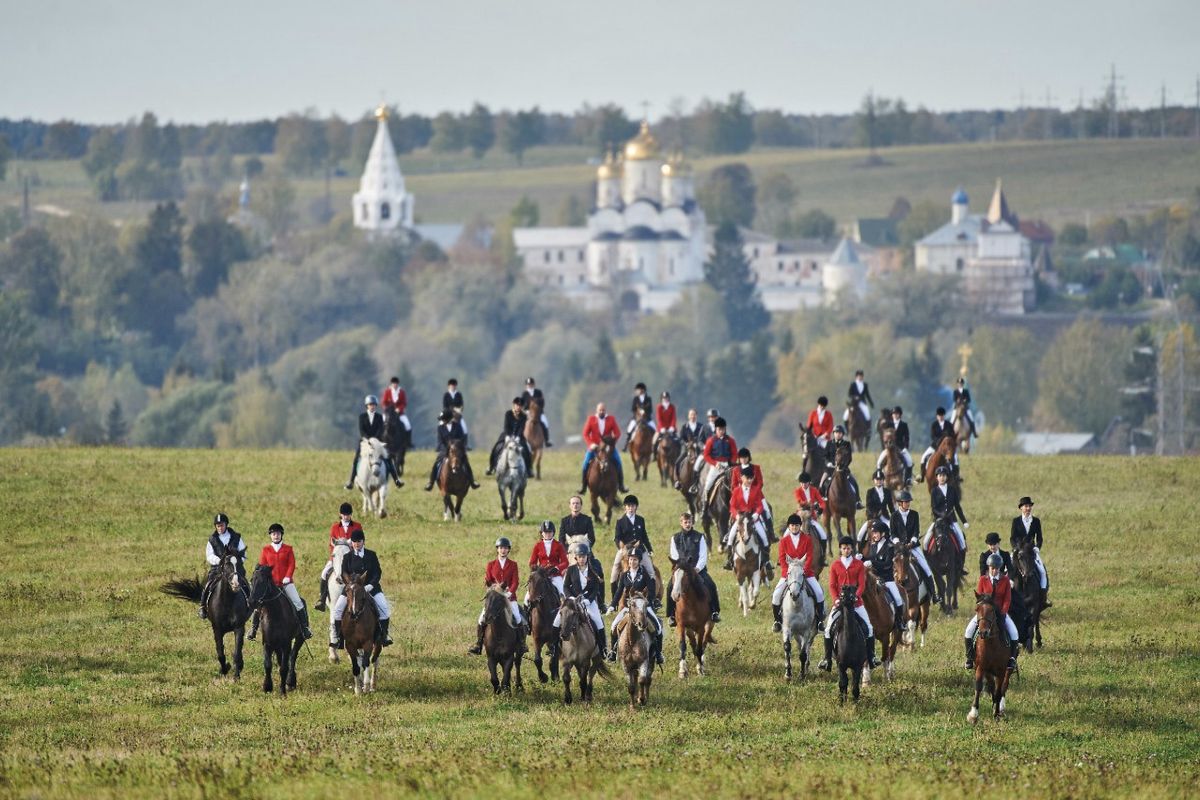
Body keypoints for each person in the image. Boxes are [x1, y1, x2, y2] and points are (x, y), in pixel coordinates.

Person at [819, 537, 881, 670]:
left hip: (856, 604)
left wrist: (855, 596)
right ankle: (826, 658)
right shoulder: (835, 565)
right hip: (839, 604)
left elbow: (862, 584)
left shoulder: (858, 564)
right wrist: (836, 599)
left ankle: (871, 657)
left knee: (869, 628)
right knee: (828, 629)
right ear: (840, 549)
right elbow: (832, 585)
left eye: (848, 548)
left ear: (852, 549)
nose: (846, 551)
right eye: (843, 548)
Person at [249, 523, 313, 641]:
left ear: (281, 535)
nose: (276, 536)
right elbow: (263, 566)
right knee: (259, 604)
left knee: (298, 603)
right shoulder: (266, 550)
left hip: (286, 583)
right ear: (270, 536)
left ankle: (305, 628)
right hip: (271, 584)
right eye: (274, 534)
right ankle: (253, 629)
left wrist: (288, 576)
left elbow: (291, 564)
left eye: (278, 534)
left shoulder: (288, 549)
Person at [332, 528, 392, 647]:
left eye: (359, 541)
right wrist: (349, 585)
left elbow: (377, 572)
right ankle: (339, 639)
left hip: (371, 588)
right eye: (354, 542)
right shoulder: (347, 557)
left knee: (384, 609)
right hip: (352, 589)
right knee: (337, 610)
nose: (356, 544)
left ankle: (383, 636)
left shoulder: (371, 555)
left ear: (363, 542)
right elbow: (344, 574)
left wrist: (370, 585)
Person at [469, 537, 526, 655]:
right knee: (481, 619)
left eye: (505, 548)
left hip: (509, 597)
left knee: (518, 617)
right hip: (494, 598)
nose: (503, 550)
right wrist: (492, 590)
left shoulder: (513, 564)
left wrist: (510, 592)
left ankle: (521, 643)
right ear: (497, 549)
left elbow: (515, 581)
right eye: (501, 548)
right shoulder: (491, 565)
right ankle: (478, 644)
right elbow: (488, 581)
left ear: (508, 550)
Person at [771, 513, 826, 633]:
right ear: (789, 527)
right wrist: (789, 572)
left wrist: (803, 571)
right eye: (792, 526)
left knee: (819, 593)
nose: (794, 528)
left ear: (800, 526)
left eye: (797, 526)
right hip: (789, 574)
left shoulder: (807, 539)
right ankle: (777, 621)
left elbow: (810, 557)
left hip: (806, 573)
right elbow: (781, 558)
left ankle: (820, 621)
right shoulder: (784, 541)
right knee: (776, 595)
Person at [965, 554, 1021, 670]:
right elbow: (980, 598)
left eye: (996, 568)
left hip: (1000, 613)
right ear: (988, 568)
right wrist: (982, 612)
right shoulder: (982, 580)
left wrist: (1003, 612)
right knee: (969, 631)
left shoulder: (1005, 580)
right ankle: (969, 658)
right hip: (985, 614)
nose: (994, 571)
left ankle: (1011, 659)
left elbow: (1007, 599)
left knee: (1014, 633)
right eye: (992, 568)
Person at [609, 547, 663, 664]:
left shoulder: (644, 573)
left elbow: (651, 589)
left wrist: (649, 601)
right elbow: (619, 591)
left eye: (635, 560)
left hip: (643, 605)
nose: (632, 562)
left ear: (639, 561)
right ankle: (613, 652)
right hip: (630, 606)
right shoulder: (624, 575)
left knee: (657, 627)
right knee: (613, 626)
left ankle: (659, 654)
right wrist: (613, 605)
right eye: (630, 560)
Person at [556, 542, 610, 660]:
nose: (581, 559)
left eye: (584, 557)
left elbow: (596, 589)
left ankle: (603, 649)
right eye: (579, 557)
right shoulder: (571, 570)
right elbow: (565, 586)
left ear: (587, 557)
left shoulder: (593, 570)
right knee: (557, 620)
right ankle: (555, 648)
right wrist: (571, 598)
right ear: (576, 557)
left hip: (588, 602)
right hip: (572, 601)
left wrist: (589, 600)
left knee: (599, 622)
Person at [667, 511, 721, 625]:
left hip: (697, 570)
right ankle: (671, 615)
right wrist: (680, 568)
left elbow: (703, 555)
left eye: (689, 522)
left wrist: (697, 568)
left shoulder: (699, 537)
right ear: (681, 523)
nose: (688, 524)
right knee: (669, 586)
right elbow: (674, 555)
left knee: (711, 584)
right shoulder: (675, 538)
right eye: (685, 522)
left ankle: (714, 612)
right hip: (681, 570)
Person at [890, 490, 941, 604]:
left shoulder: (914, 514)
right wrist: (898, 543)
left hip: (912, 547)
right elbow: (893, 533)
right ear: (900, 503)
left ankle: (933, 594)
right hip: (899, 548)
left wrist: (912, 542)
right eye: (905, 502)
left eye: (908, 502)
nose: (908, 504)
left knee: (926, 568)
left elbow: (916, 531)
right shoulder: (894, 516)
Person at [346, 395, 404, 491]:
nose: (372, 406)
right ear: (367, 406)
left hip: (377, 442)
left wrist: (374, 440)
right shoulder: (362, 417)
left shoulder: (379, 417)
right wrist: (368, 440)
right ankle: (351, 481)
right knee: (356, 458)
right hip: (365, 442)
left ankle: (396, 480)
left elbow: (380, 430)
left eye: (373, 405)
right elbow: (362, 431)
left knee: (388, 458)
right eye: (370, 405)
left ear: (375, 406)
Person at [723, 465, 771, 573]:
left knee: (764, 538)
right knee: (730, 537)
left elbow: (760, 506)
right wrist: (736, 515)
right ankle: (729, 561)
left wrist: (756, 514)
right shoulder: (736, 490)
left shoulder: (756, 490)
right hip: (740, 519)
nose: (749, 480)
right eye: (747, 478)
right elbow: (732, 506)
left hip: (753, 519)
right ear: (742, 478)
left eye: (751, 478)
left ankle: (766, 562)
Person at [199, 513, 247, 618]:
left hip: (234, 568)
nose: (220, 528)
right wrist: (219, 561)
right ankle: (203, 607)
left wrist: (238, 562)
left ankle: (249, 604)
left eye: (222, 525)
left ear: (226, 525)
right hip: (217, 568)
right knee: (208, 585)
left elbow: (243, 553)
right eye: (218, 526)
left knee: (245, 583)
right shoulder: (212, 539)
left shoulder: (236, 537)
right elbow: (209, 555)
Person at [316, 503, 361, 612]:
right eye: (344, 515)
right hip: (336, 558)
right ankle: (322, 599)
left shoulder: (357, 526)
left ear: (351, 515)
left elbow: (360, 541)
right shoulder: (335, 527)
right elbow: (331, 544)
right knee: (324, 573)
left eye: (348, 515)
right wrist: (336, 556)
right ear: (340, 514)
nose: (346, 517)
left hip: (352, 558)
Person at [579, 402, 630, 495]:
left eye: (603, 410)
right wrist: (591, 444)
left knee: (618, 462)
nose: (601, 412)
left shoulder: (611, 419)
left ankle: (621, 486)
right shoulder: (591, 419)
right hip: (594, 447)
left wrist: (611, 444)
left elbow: (617, 433)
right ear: (597, 410)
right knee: (585, 462)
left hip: (608, 448)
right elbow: (585, 434)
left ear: (605, 410)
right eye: (600, 410)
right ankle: (583, 486)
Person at [612, 495, 655, 603]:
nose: (631, 508)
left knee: (651, 572)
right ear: (625, 507)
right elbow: (617, 537)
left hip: (639, 550)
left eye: (633, 506)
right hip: (625, 549)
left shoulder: (641, 520)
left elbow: (644, 536)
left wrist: (649, 549)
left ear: (636, 507)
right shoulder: (620, 521)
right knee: (614, 572)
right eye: (628, 506)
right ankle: (614, 601)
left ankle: (654, 599)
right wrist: (620, 546)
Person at [863, 521, 905, 632]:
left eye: (876, 533)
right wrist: (861, 559)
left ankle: (899, 621)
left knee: (897, 598)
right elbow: (868, 558)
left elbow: (887, 564)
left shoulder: (890, 547)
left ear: (883, 534)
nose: (874, 535)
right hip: (873, 578)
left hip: (886, 579)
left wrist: (872, 562)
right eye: (873, 533)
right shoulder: (872, 545)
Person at [1010, 496, 1051, 607]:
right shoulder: (1016, 521)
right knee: (1005, 569)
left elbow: (1040, 538)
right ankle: (1007, 595)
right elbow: (1012, 538)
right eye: (1026, 506)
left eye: (1029, 506)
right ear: (1021, 508)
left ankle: (1043, 596)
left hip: (1031, 551)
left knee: (1042, 571)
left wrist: (1037, 548)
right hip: (1018, 550)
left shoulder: (1036, 521)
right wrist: (1015, 548)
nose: (1028, 508)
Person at [425, 409, 480, 492]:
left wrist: (457, 447)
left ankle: (472, 482)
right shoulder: (440, 428)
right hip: (444, 451)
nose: (442, 421)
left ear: (447, 419)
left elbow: (461, 438)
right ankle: (431, 483)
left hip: (457, 451)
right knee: (436, 464)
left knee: (466, 464)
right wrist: (446, 450)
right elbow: (440, 442)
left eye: (443, 419)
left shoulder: (457, 426)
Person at [923, 466, 968, 566]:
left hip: (952, 521)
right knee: (925, 542)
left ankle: (961, 565)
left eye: (943, 475)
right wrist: (941, 515)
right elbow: (933, 508)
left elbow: (957, 507)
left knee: (962, 543)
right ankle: (928, 563)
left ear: (946, 477)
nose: (942, 477)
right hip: (938, 521)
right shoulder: (934, 491)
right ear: (937, 477)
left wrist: (964, 521)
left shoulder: (952, 490)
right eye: (940, 475)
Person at [696, 417, 738, 514]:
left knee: (736, 485)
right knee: (707, 485)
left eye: (722, 429)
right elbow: (706, 455)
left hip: (728, 467)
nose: (721, 431)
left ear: (725, 429)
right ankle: (704, 506)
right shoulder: (711, 440)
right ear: (715, 429)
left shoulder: (730, 441)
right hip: (716, 466)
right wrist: (715, 463)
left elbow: (734, 454)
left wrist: (730, 463)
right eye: (719, 429)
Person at [485, 397, 533, 476]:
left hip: (519, 436)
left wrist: (517, 437)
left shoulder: (523, 416)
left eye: (520, 405)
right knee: (496, 447)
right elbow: (506, 426)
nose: (519, 407)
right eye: (517, 405)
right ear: (514, 405)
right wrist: (508, 436)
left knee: (527, 449)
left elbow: (522, 428)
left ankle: (529, 468)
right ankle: (491, 467)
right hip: (506, 435)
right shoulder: (508, 414)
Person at [820, 426, 863, 510]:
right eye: (836, 433)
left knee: (854, 482)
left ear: (842, 434)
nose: (838, 434)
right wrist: (828, 463)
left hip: (843, 469)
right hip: (830, 469)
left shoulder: (846, 444)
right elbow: (825, 456)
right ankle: (820, 501)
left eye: (839, 433)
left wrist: (844, 465)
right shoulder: (829, 443)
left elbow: (849, 458)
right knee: (822, 483)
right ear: (834, 434)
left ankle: (857, 501)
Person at [526, 520, 568, 604]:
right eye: (546, 532)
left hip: (555, 576)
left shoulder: (558, 545)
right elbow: (532, 563)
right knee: (527, 598)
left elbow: (565, 562)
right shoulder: (537, 545)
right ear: (542, 533)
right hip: (541, 576)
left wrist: (557, 568)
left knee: (563, 595)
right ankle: (527, 615)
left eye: (550, 532)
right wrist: (538, 569)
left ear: (553, 533)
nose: (548, 534)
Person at [736, 447, 774, 537]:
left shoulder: (756, 468)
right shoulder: (736, 470)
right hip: (741, 496)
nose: (744, 459)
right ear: (739, 459)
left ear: (748, 458)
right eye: (742, 457)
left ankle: (771, 533)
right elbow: (734, 484)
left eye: (745, 457)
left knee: (767, 512)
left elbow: (760, 482)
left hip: (757, 495)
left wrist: (754, 491)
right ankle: (729, 535)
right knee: (732, 515)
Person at [917, 407, 955, 483]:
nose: (941, 417)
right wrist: (940, 442)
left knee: (955, 460)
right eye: (939, 415)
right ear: (937, 416)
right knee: (924, 457)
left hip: (947, 449)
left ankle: (955, 476)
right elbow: (933, 436)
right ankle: (922, 475)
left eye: (942, 415)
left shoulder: (949, 425)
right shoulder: (934, 425)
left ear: (944, 415)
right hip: (935, 446)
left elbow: (952, 435)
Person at [877, 406, 914, 486]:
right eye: (894, 414)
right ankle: (880, 478)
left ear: (900, 415)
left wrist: (905, 448)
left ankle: (908, 480)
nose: (895, 415)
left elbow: (907, 438)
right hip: (889, 448)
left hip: (900, 448)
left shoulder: (904, 425)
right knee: (879, 462)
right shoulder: (888, 424)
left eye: (897, 414)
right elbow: (883, 435)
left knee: (909, 462)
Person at [857, 469, 895, 543]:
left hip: (884, 516)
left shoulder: (887, 492)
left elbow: (891, 506)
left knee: (891, 530)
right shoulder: (870, 492)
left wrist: (895, 515)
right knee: (860, 535)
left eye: (880, 479)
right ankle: (859, 551)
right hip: (873, 517)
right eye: (877, 479)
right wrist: (874, 514)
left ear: (883, 480)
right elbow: (868, 506)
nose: (879, 481)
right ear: (874, 480)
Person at [793, 472, 828, 546]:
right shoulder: (797, 491)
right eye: (802, 483)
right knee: (786, 534)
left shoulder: (814, 490)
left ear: (809, 483)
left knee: (823, 535)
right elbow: (799, 501)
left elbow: (822, 502)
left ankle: (823, 555)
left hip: (811, 517)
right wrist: (808, 504)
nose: (803, 485)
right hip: (800, 516)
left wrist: (821, 509)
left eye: (805, 483)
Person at [674, 408, 707, 482]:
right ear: (688, 416)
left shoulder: (701, 426)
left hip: (698, 448)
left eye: (694, 415)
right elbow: (681, 438)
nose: (693, 416)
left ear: (696, 416)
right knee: (678, 462)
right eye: (691, 415)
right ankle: (677, 480)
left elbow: (703, 438)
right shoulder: (684, 427)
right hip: (686, 448)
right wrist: (686, 444)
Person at [381, 376, 413, 450]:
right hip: (388, 413)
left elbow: (404, 403)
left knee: (408, 425)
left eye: (396, 383)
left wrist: (399, 409)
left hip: (399, 413)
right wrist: (387, 409)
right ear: (391, 384)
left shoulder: (402, 392)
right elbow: (383, 402)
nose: (395, 385)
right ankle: (380, 440)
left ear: (398, 384)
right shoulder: (387, 392)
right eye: (393, 383)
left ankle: (408, 442)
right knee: (381, 423)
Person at [520, 376, 552, 447]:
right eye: (528, 384)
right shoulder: (524, 394)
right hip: (528, 413)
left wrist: (538, 408)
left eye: (531, 384)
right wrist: (527, 409)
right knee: (521, 423)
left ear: (533, 384)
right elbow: (522, 405)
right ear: (526, 385)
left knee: (545, 422)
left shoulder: (538, 392)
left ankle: (547, 440)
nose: (530, 386)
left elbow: (542, 403)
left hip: (538, 413)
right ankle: (520, 440)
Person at [624, 382, 654, 451]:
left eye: (638, 390)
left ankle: (653, 447)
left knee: (654, 429)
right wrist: (638, 415)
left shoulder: (648, 399)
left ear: (642, 390)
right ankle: (626, 445)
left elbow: (650, 410)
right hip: (637, 419)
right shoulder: (636, 398)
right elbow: (633, 409)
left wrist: (645, 414)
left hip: (647, 419)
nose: (637, 391)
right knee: (629, 429)